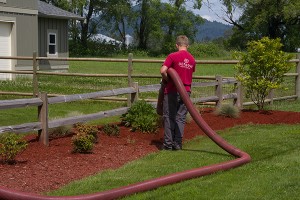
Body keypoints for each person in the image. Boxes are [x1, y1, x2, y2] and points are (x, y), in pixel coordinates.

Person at [160, 35, 196, 150]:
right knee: (180, 118)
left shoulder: (172, 56)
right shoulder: (192, 59)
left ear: (177, 45)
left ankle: (168, 145)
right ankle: (178, 144)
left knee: (169, 116)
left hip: (172, 90)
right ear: (187, 45)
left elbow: (163, 70)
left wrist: (166, 79)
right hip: (186, 92)